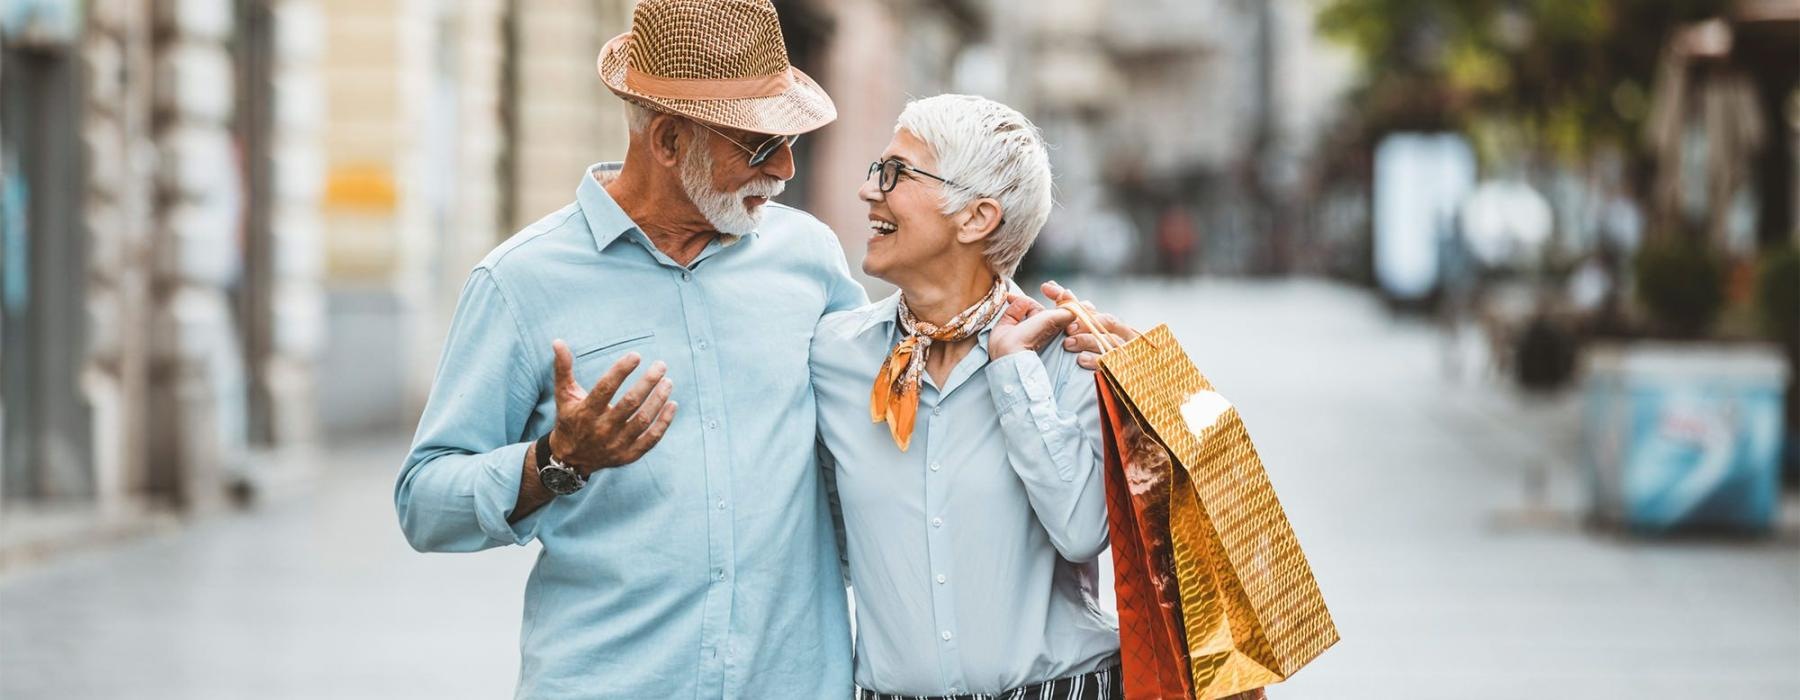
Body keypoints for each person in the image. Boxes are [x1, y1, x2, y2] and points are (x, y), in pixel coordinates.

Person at [393, 1, 869, 696]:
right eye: (761, 147)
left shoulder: (811, 261)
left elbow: (879, 428)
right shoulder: (521, 281)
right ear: (670, 140)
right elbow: (424, 505)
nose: (789, 169)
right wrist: (556, 461)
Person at [810, 94, 1123, 699]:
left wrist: (1014, 373)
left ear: (977, 218)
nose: (870, 192)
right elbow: (825, 540)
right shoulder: (834, 356)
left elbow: (1083, 529)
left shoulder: (1072, 354)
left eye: (896, 173)